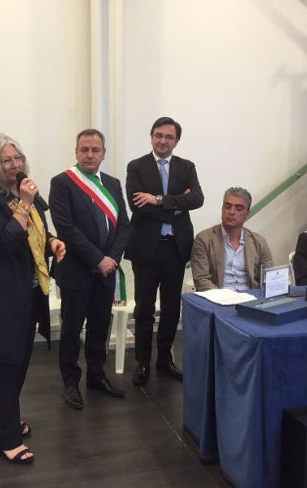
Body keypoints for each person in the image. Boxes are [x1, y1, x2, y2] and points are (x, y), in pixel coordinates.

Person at [0, 133, 66, 464]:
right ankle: (5, 437)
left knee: (18, 361)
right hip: (0, 297)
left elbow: (34, 232)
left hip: (26, 292)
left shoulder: (18, 193)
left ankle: (6, 421)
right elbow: (4, 242)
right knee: (5, 364)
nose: (15, 164)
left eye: (18, 158)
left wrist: (51, 242)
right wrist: (26, 203)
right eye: (6, 160)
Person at [49, 129, 130, 409]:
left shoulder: (113, 183)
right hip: (76, 270)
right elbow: (66, 228)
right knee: (72, 329)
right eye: (84, 149)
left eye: (95, 150)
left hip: (106, 271)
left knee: (99, 326)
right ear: (76, 152)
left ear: (104, 153)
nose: (89, 155)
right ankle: (71, 382)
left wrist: (112, 259)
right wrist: (98, 259)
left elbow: (124, 226)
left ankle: (97, 376)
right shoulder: (62, 182)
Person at [125, 116, 204, 386]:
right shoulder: (136, 166)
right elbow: (137, 206)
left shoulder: (186, 166)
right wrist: (177, 206)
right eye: (158, 135)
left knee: (171, 308)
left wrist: (158, 199)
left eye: (169, 137)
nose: (163, 141)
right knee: (144, 308)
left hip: (175, 248)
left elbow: (197, 199)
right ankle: (142, 362)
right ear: (151, 137)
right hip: (146, 248)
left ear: (176, 141)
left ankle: (164, 360)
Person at [191, 187, 273, 291]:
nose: (231, 212)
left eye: (239, 209)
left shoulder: (259, 242)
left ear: (247, 214)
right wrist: (225, 297)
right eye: (227, 207)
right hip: (217, 297)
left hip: (251, 297)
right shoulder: (204, 239)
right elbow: (201, 280)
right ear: (222, 209)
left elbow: (268, 278)